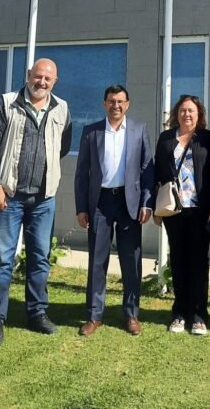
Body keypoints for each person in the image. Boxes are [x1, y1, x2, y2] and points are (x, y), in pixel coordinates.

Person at [0, 58, 72, 345]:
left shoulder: (62, 108)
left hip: (44, 199)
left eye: (48, 79)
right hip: (9, 196)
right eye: (38, 76)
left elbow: (63, 146)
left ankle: (37, 313)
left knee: (40, 259)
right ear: (28, 75)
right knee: (2, 260)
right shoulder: (7, 103)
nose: (41, 82)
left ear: (54, 82)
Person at [75, 85, 154, 336]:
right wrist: (81, 208)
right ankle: (94, 315)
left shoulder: (139, 130)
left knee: (131, 261)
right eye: (111, 101)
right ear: (104, 104)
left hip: (129, 203)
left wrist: (146, 202)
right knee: (97, 261)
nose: (116, 106)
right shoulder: (91, 132)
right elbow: (81, 174)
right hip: (100, 203)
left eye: (120, 101)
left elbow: (147, 170)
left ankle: (131, 314)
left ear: (127, 104)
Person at [153, 95, 210, 335]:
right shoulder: (165, 139)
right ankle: (179, 313)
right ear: (176, 113)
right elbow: (157, 173)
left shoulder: (208, 139)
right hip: (175, 211)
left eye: (191, 110)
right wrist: (155, 208)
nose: (187, 115)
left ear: (199, 113)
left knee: (199, 263)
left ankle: (200, 314)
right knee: (179, 261)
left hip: (201, 211)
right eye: (182, 110)